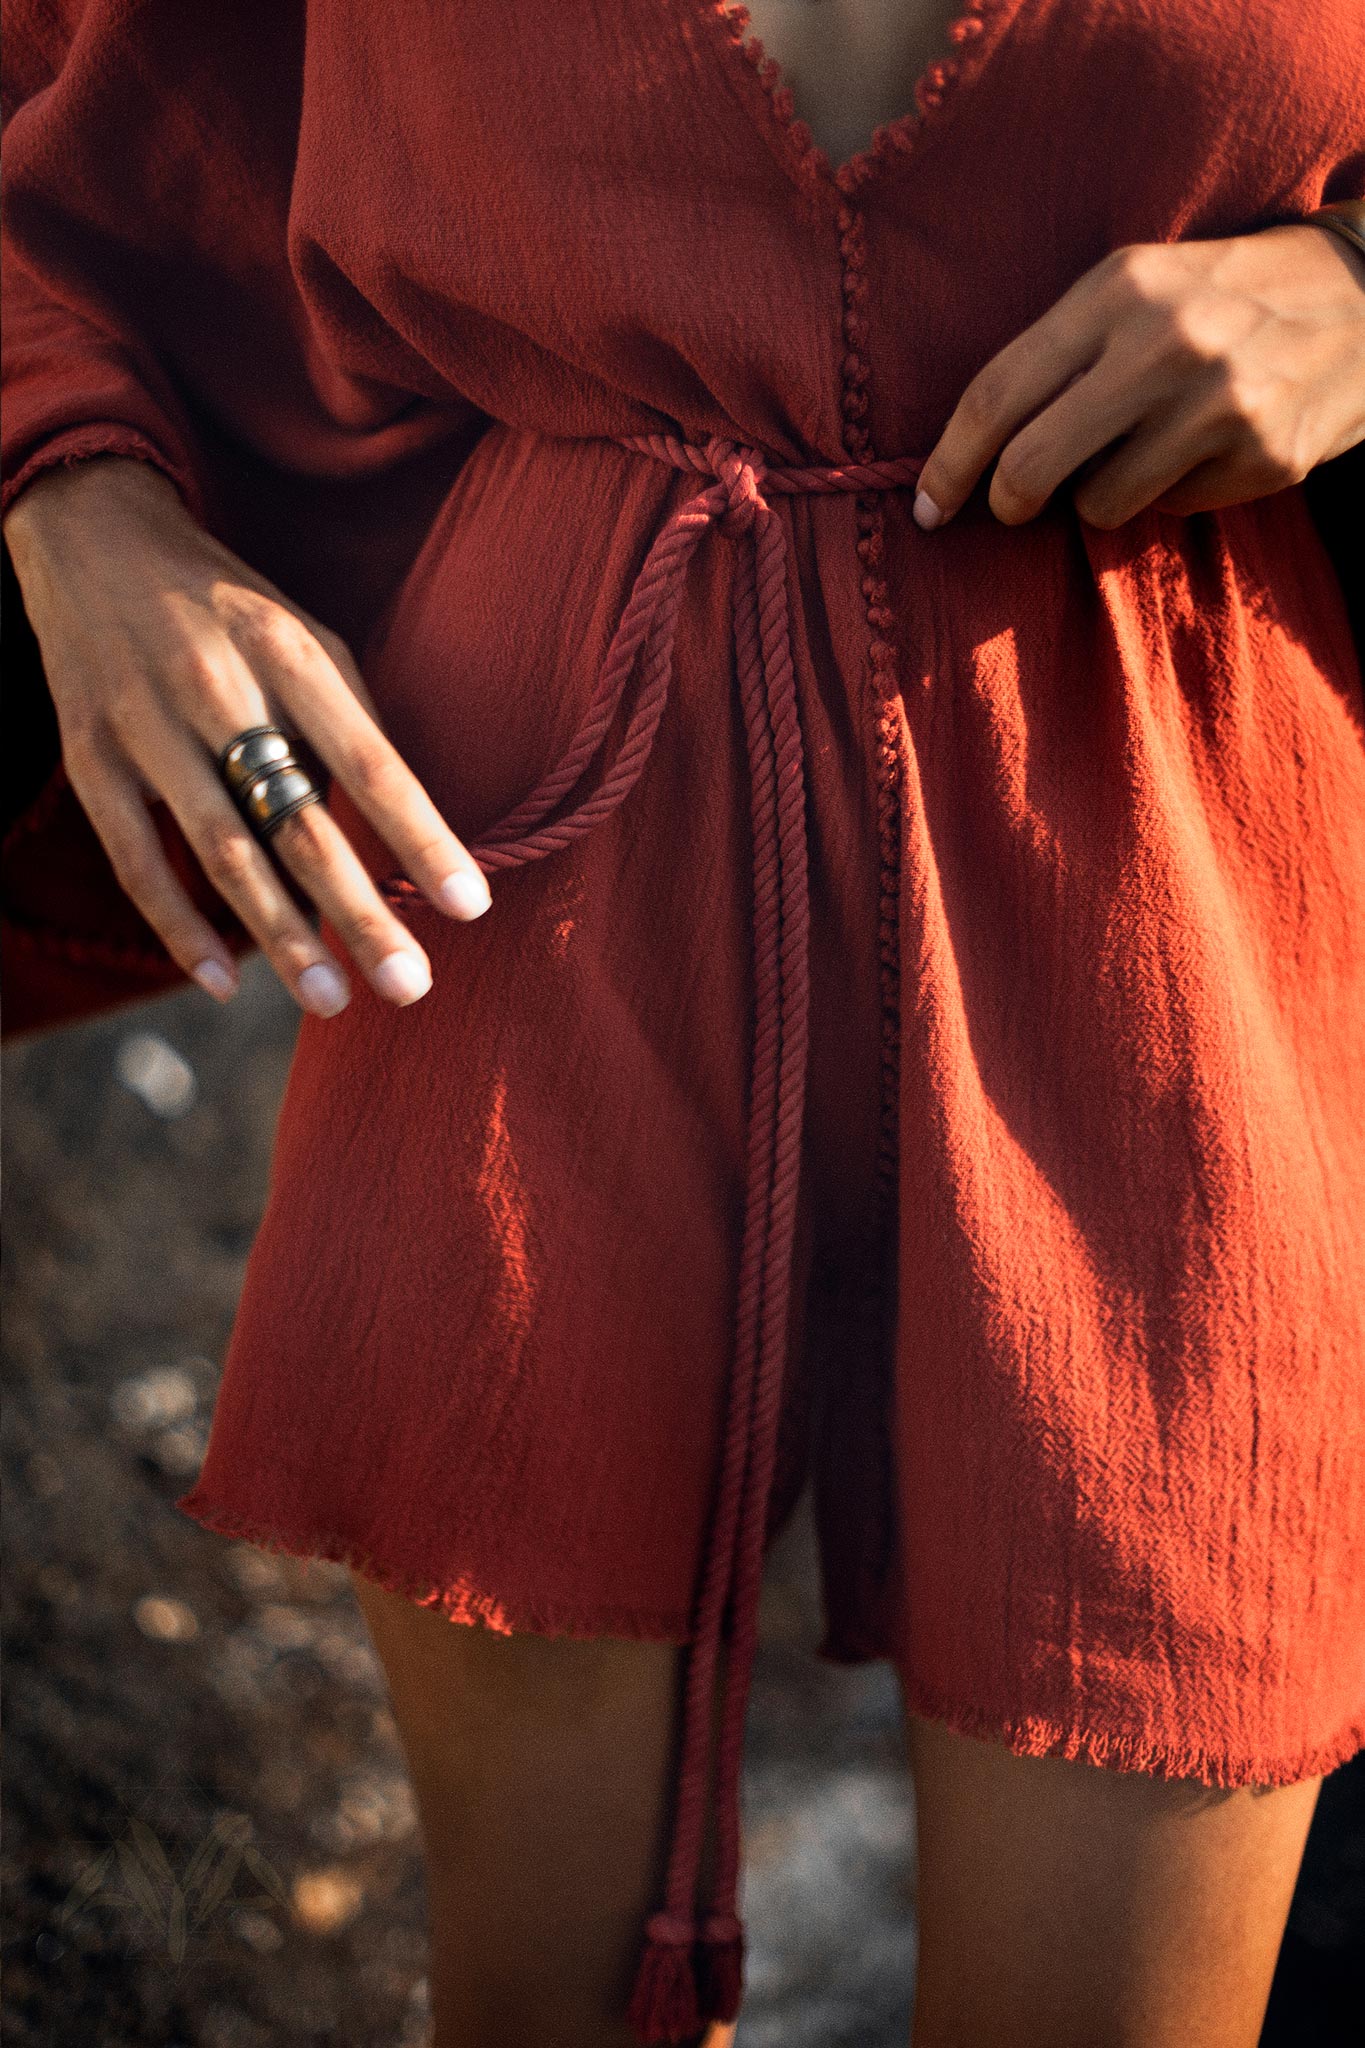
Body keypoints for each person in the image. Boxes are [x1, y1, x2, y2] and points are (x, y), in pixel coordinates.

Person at [3, 3, 1364, 2044]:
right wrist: (73, 504)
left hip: (1157, 867)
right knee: (548, 2005)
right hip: (533, 845)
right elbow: (57, 101)